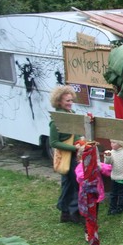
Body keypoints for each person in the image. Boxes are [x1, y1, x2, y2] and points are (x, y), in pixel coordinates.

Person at [49, 85, 84, 224]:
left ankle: (65, 212)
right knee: (73, 183)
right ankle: (73, 212)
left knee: (70, 183)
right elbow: (54, 142)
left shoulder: (71, 114)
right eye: (67, 101)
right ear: (59, 102)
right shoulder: (56, 120)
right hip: (66, 156)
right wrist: (73, 148)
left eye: (71, 100)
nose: (70, 103)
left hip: (74, 154)